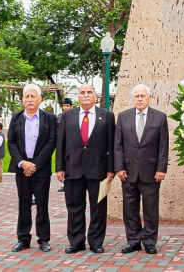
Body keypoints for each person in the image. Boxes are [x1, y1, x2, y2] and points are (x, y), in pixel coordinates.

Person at [56, 84, 115, 254]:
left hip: (99, 169)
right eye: (82, 93)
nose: (86, 95)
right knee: (74, 207)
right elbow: (60, 143)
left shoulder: (107, 116)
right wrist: (59, 167)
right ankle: (76, 241)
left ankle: (96, 242)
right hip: (72, 168)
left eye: (89, 92)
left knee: (98, 208)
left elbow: (112, 144)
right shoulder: (67, 116)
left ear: (96, 96)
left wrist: (111, 168)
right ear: (78, 97)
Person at [114, 84, 169, 255]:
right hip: (128, 171)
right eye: (137, 96)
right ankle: (133, 241)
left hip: (151, 172)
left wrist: (161, 169)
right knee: (130, 209)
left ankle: (150, 241)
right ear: (133, 98)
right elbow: (118, 145)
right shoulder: (123, 117)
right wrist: (119, 167)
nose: (139, 99)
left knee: (150, 209)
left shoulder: (159, 117)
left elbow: (163, 146)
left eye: (142, 96)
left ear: (149, 98)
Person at [9, 84, 58, 253]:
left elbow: (51, 142)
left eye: (33, 96)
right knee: (23, 204)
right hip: (22, 168)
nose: (29, 100)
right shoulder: (16, 118)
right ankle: (23, 239)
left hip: (40, 169)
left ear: (40, 99)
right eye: (26, 97)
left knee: (42, 205)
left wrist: (35, 164)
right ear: (22, 100)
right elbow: (11, 143)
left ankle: (43, 239)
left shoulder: (49, 118)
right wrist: (22, 163)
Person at [58, 97, 74, 192]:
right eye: (64, 105)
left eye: (67, 105)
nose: (65, 107)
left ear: (71, 106)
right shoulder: (59, 117)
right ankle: (64, 183)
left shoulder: (74, 117)